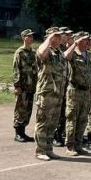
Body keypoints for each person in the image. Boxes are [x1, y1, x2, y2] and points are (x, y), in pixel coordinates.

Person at [34, 28, 69, 160]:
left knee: (53, 123)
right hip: (47, 93)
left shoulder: (59, 53)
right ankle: (40, 151)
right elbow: (41, 53)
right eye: (56, 36)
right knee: (43, 122)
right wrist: (49, 39)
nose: (59, 39)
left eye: (60, 37)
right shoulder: (45, 50)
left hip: (58, 93)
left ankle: (48, 149)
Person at [64, 32, 91, 156]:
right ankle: (70, 146)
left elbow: (90, 74)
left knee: (83, 119)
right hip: (74, 90)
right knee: (72, 118)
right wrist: (74, 43)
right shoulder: (73, 53)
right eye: (85, 40)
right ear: (78, 41)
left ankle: (78, 145)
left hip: (86, 91)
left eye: (88, 40)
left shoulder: (89, 55)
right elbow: (65, 56)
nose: (88, 42)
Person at [11, 29, 37, 143]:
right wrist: (17, 86)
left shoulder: (33, 52)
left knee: (28, 110)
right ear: (23, 38)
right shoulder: (19, 52)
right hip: (22, 86)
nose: (30, 38)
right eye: (28, 36)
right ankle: (18, 133)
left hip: (31, 86)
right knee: (20, 109)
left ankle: (23, 132)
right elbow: (16, 69)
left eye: (32, 36)